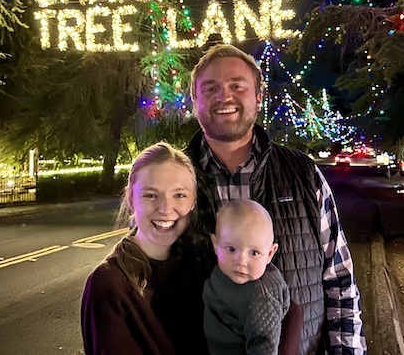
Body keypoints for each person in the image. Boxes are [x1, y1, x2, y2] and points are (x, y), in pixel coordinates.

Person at [185, 43, 366, 355]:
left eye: (236, 86)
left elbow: (339, 281)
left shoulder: (303, 173)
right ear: (195, 101)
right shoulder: (171, 180)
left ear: (257, 97)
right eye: (210, 88)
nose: (224, 96)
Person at [80, 142, 213, 355]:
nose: (166, 209)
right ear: (131, 199)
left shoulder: (206, 265)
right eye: (151, 195)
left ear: (193, 202)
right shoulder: (110, 284)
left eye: (179, 195)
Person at [203, 199, 302, 355]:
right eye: (231, 249)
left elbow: (264, 347)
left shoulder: (260, 297)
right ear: (215, 245)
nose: (241, 261)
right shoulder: (222, 272)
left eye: (254, 253)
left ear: (270, 253)